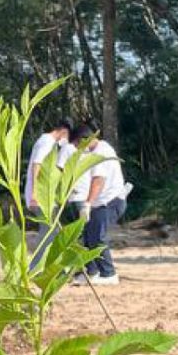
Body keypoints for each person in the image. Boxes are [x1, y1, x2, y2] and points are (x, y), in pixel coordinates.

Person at [71, 122, 128, 284]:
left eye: (77, 144)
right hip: (99, 202)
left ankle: (109, 274)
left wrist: (87, 203)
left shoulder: (102, 152)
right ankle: (92, 272)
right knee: (88, 237)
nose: (76, 149)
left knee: (98, 237)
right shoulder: (95, 151)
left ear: (84, 139)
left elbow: (98, 180)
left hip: (110, 202)